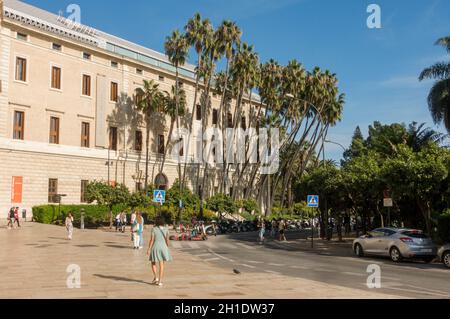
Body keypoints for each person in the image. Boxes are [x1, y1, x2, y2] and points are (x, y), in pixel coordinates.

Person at [147, 216, 172, 286]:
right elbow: (167, 240)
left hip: (156, 246)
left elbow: (152, 240)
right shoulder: (166, 229)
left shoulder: (154, 229)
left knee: (153, 262)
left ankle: (156, 277)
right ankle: (160, 281)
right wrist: (167, 247)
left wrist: (149, 249)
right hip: (163, 247)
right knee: (162, 264)